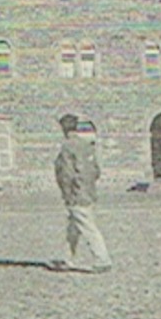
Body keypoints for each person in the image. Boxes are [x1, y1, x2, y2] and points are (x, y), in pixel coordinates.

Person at [52, 112, 112, 273]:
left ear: (63, 128)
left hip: (76, 194)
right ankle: (67, 258)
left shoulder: (67, 147)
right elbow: (96, 171)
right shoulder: (86, 145)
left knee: (87, 226)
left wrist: (67, 194)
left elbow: (66, 174)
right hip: (89, 192)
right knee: (73, 227)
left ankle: (102, 259)